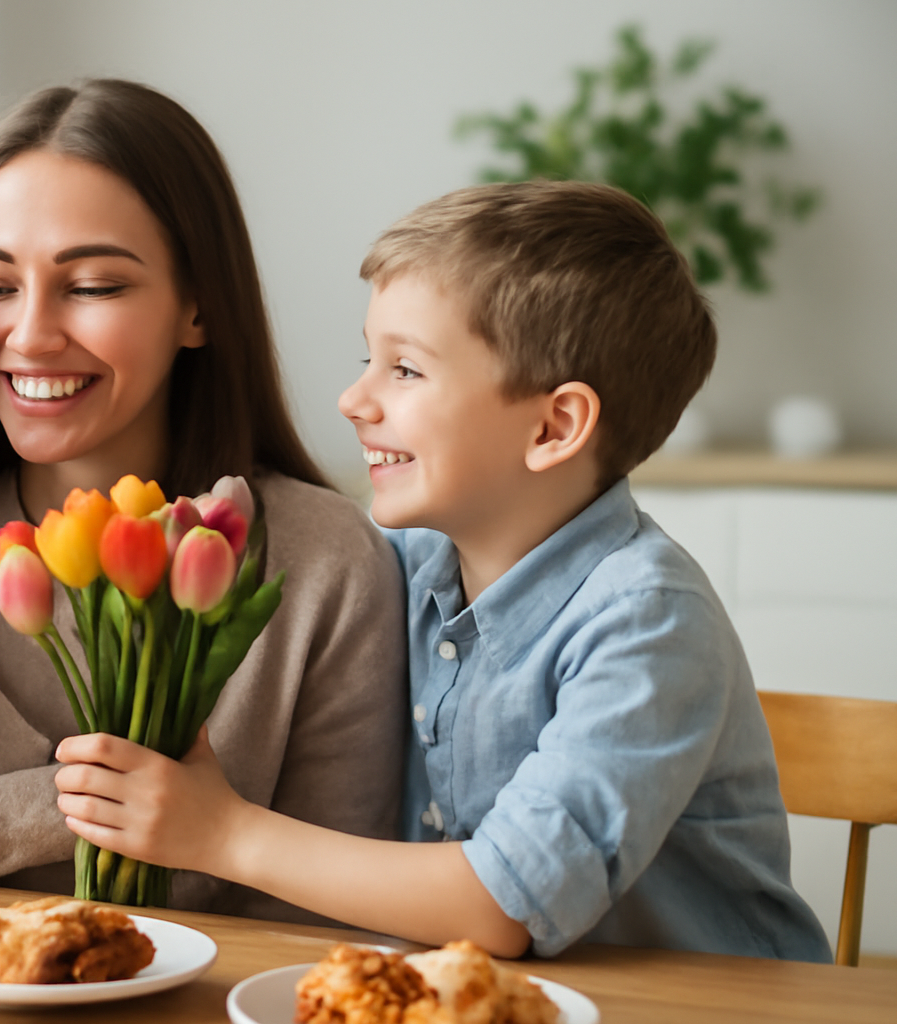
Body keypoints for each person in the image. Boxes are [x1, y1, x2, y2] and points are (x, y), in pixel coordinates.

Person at [54, 180, 833, 961]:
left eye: (406, 371)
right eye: (370, 359)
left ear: (553, 426)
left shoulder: (649, 620)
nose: (354, 399)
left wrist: (223, 834)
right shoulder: (406, 565)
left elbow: (503, 905)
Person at [0, 79, 405, 918]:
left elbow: (328, 938)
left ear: (198, 306)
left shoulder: (328, 563)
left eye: (93, 286)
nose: (29, 335)